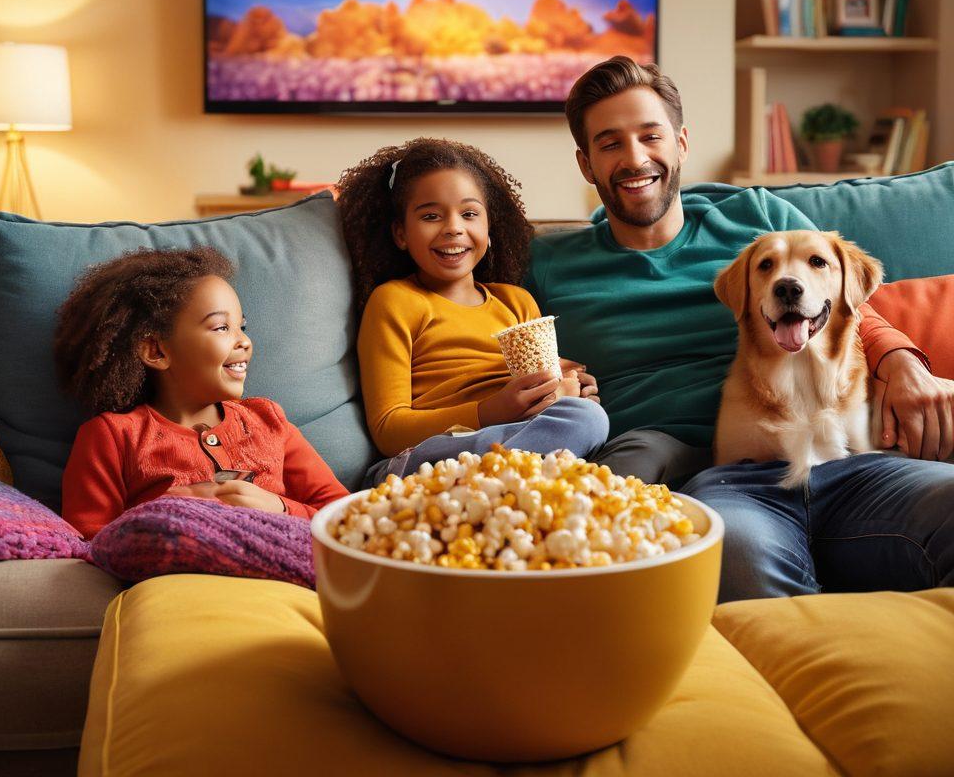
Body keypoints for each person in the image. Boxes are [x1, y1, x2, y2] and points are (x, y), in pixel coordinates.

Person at [526, 55, 954, 601]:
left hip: (841, 455)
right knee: (742, 561)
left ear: (681, 143)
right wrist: (548, 376)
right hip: (710, 479)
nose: (635, 158)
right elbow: (477, 325)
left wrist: (901, 360)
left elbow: (842, 299)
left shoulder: (757, 216)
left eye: (650, 136)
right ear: (586, 165)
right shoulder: (548, 261)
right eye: (610, 144)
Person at [336, 137, 609, 485]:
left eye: (469, 214)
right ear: (401, 233)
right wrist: (491, 411)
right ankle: (505, 481)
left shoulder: (516, 301)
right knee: (586, 424)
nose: (453, 227)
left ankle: (497, 489)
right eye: (431, 216)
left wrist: (565, 387)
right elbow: (388, 430)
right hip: (425, 456)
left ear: (489, 228)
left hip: (513, 436)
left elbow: (537, 393)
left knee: (586, 415)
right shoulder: (394, 301)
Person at [56, 247, 348, 539]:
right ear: (156, 350)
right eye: (222, 327)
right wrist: (163, 515)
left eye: (241, 327)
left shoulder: (270, 422)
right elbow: (87, 543)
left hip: (280, 576)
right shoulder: (113, 437)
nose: (244, 341)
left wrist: (280, 509)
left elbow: (344, 514)